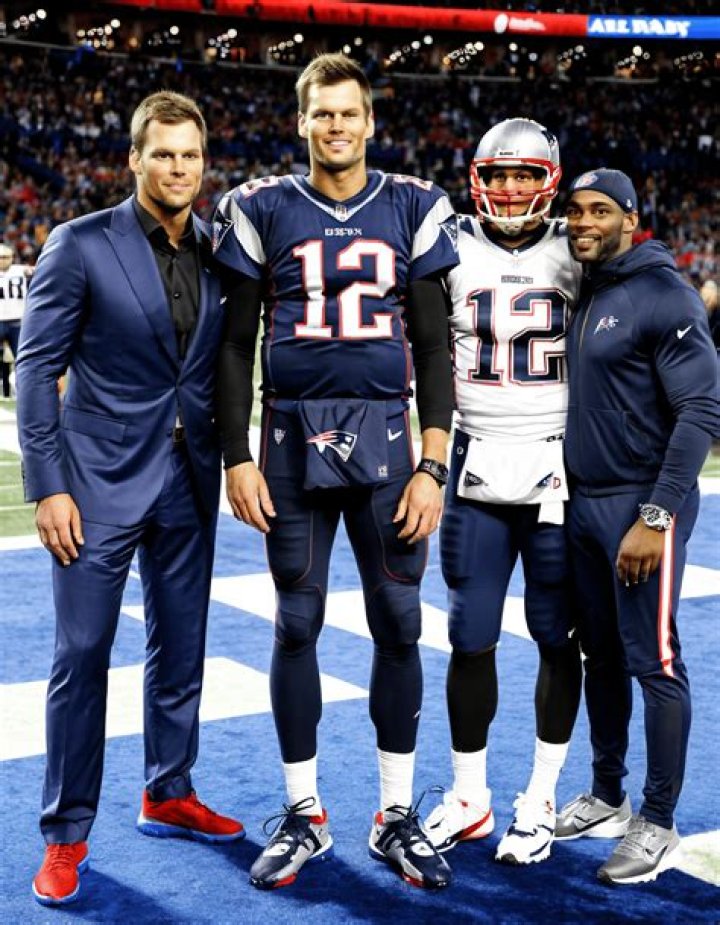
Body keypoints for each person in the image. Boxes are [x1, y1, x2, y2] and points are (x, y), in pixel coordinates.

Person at [213, 53, 457, 891]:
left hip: (392, 444)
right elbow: (237, 344)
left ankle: (393, 813)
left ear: (370, 121)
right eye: (323, 114)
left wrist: (434, 460)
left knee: (398, 619)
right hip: (287, 442)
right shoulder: (263, 207)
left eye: (349, 113)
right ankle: (305, 811)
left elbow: (432, 345)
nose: (337, 127)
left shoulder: (413, 205)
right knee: (295, 621)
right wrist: (235, 453)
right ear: (303, 120)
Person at [16, 91, 244, 909]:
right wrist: (47, 486)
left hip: (191, 480)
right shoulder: (79, 245)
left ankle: (168, 789)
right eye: (164, 154)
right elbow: (35, 370)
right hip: (96, 487)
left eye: (191, 156)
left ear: (203, 163)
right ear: (134, 160)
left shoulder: (221, 248)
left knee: (181, 648)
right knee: (81, 658)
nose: (179, 168)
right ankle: (66, 834)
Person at [421, 118, 583, 865]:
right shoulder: (447, 243)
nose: (511, 188)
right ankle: (470, 794)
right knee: (469, 635)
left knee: (557, 634)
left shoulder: (579, 247)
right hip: (476, 464)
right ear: (477, 176)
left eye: (524, 174)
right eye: (499, 173)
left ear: (548, 177)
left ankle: (542, 795)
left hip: (556, 468)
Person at [555, 168, 718, 885]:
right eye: (574, 210)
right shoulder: (591, 288)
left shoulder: (663, 291)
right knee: (601, 654)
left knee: (655, 660)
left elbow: (701, 413)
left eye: (598, 210)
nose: (582, 221)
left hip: (642, 505)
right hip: (585, 502)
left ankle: (658, 820)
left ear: (630, 215)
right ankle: (609, 793)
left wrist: (656, 516)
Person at [0, 242, 32, 397]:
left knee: (22, 359)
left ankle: (23, 392)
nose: (2, 260)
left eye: (6, 257)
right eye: (0, 257)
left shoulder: (21, 270)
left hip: (18, 321)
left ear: (12, 258)